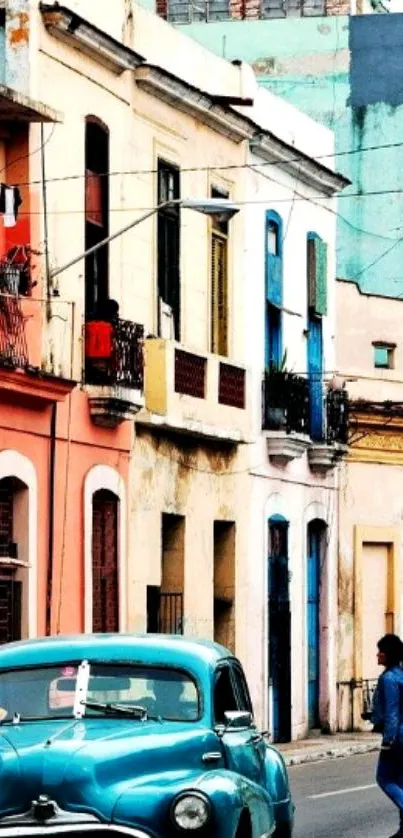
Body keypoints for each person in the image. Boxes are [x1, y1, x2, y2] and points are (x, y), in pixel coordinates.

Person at [372, 634, 403, 838]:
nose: (377, 655)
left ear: (387, 654)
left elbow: (392, 711)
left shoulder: (389, 678)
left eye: (381, 651)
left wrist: (388, 741)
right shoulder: (400, 675)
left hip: (397, 737)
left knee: (384, 778)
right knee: (400, 780)